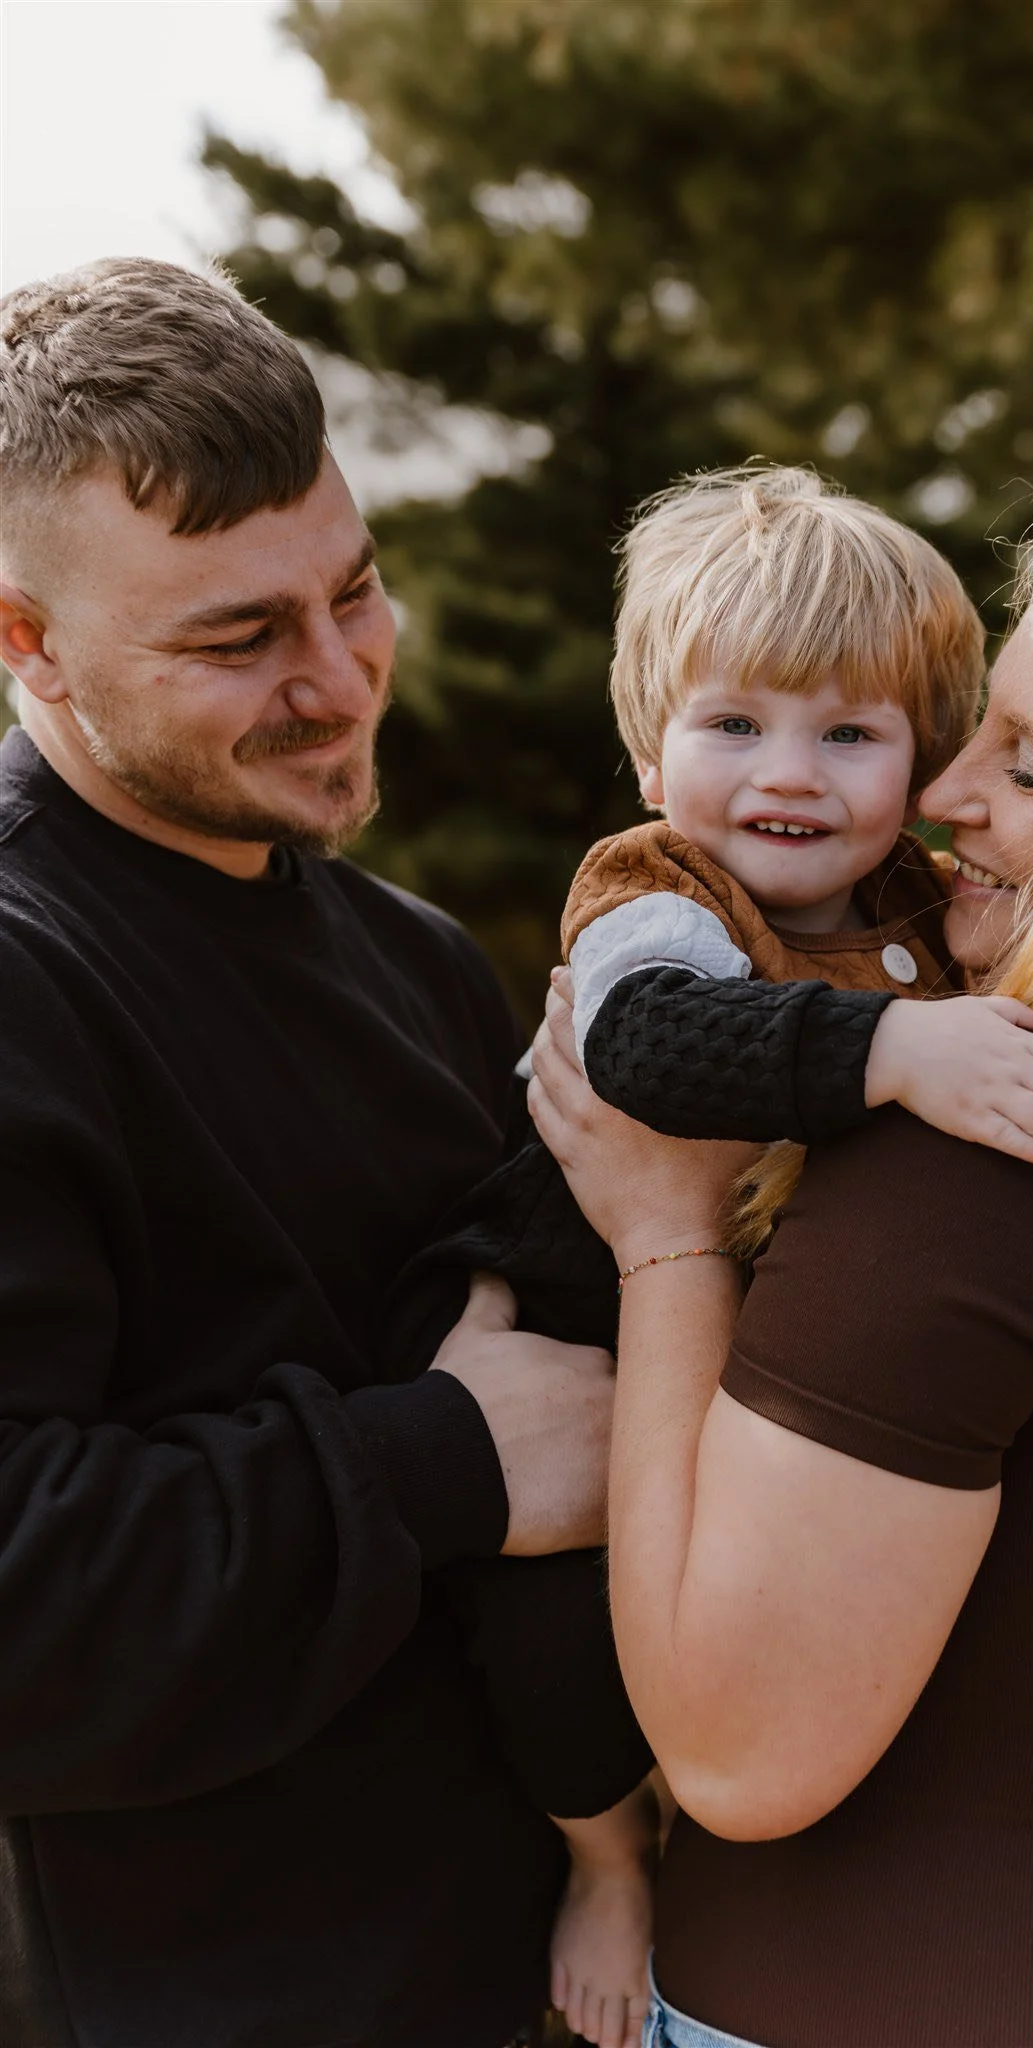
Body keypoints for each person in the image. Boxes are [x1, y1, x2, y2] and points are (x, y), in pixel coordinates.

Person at [530, 502, 1033, 2048]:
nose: (946, 795)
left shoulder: (1002, 1128)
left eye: (1029, 767)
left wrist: (666, 1234)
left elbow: (736, 1752)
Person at [0, 256, 650, 2048]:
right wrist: (442, 1461)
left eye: (354, 592)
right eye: (235, 641)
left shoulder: (419, 955)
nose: (338, 677)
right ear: (25, 641)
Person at [386, 463, 1033, 2048]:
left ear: (919, 764)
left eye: (849, 733)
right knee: (556, 1663)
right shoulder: (654, 892)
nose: (790, 773)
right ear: (651, 750)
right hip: (572, 1324)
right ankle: (604, 1860)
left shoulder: (926, 903)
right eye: (734, 725)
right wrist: (896, 1057)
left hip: (759, 1359)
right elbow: (646, 1050)